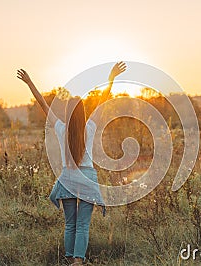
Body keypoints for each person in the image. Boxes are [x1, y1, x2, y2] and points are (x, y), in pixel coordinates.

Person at [17, 62, 126, 265]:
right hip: (87, 179)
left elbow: (43, 104)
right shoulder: (90, 127)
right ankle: (78, 261)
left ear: (68, 113)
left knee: (70, 224)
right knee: (83, 225)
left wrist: (29, 82)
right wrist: (111, 78)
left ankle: (69, 258)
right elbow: (102, 102)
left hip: (68, 179)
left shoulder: (61, 128)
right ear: (83, 113)